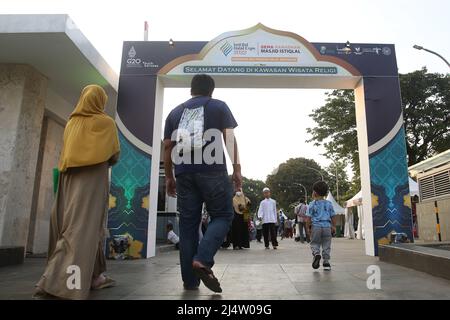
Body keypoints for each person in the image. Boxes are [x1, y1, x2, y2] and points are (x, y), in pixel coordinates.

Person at [33, 85, 120, 299]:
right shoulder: (106, 123)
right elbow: (114, 155)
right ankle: (55, 283)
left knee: (76, 225)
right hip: (92, 181)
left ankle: (94, 276)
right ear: (100, 101)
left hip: (68, 180)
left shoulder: (72, 123)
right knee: (82, 228)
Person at [163, 74, 242, 293]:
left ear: (192, 90)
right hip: (213, 170)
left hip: (184, 173)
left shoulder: (175, 112)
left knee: (188, 227)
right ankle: (203, 259)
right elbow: (229, 138)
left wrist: (169, 176)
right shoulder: (218, 107)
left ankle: (190, 282)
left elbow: (167, 147)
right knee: (224, 215)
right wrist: (237, 169)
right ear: (211, 90)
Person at [305, 181, 337, 271]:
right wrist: (333, 226)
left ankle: (316, 254)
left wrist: (308, 228)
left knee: (315, 243)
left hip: (316, 227)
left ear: (314, 192)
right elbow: (333, 216)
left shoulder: (312, 204)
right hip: (327, 227)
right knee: (327, 244)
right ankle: (326, 263)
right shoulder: (329, 204)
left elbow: (308, 218)